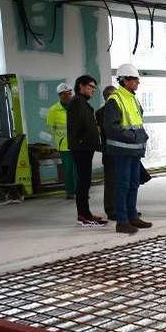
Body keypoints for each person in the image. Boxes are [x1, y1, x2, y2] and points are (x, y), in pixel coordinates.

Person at [104, 63, 151, 234]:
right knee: (122, 185)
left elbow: (138, 122)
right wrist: (133, 137)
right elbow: (111, 127)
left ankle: (132, 216)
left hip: (134, 151)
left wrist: (142, 136)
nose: (138, 83)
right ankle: (122, 221)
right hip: (123, 151)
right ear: (125, 81)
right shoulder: (115, 100)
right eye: (135, 80)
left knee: (133, 184)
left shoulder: (132, 98)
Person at [66, 74, 106, 226]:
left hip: (85, 147)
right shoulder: (77, 102)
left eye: (94, 88)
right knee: (83, 182)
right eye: (90, 87)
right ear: (80, 86)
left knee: (85, 181)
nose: (92, 90)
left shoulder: (82, 102)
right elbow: (77, 127)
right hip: (81, 148)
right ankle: (83, 215)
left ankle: (86, 213)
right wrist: (83, 140)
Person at [46, 82, 76, 199]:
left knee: (78, 170)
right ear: (60, 95)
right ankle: (70, 192)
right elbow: (51, 128)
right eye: (64, 94)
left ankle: (80, 191)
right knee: (68, 170)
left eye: (69, 93)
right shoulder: (54, 110)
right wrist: (60, 139)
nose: (67, 96)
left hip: (78, 144)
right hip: (64, 145)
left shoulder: (76, 107)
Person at [96, 85, 117, 219]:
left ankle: (123, 208)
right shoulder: (100, 113)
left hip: (122, 152)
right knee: (110, 183)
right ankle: (111, 210)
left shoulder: (120, 109)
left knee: (123, 182)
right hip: (109, 152)